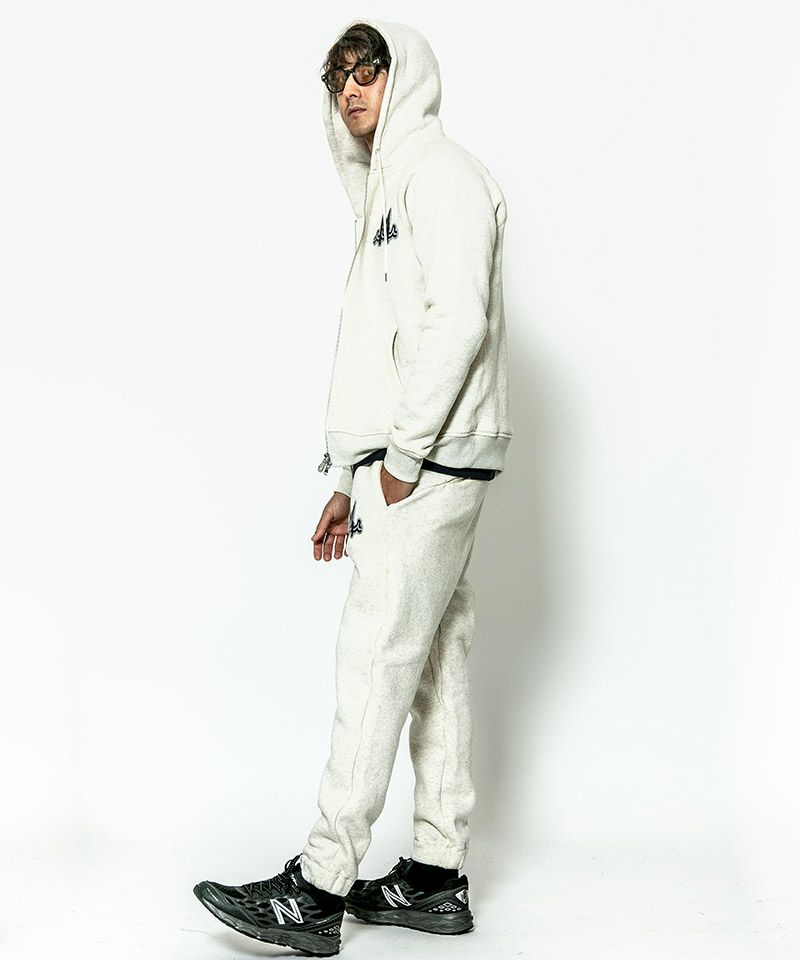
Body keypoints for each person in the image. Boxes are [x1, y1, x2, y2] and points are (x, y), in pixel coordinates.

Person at [193, 17, 513, 956]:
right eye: (338, 77)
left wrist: (402, 460)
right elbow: (382, 346)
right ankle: (437, 875)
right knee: (435, 657)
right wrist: (347, 473)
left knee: (375, 657)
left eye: (368, 70)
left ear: (404, 75)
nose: (351, 90)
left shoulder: (440, 173)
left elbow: (459, 320)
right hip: (418, 460)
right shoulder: (390, 190)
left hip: (431, 459)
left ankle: (320, 885)